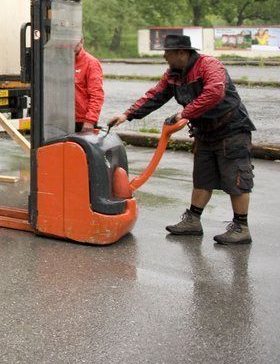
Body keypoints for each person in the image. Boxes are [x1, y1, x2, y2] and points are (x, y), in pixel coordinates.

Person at [107, 34, 256, 245]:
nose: (165, 57)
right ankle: (193, 221)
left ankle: (241, 227)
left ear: (181, 52)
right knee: (202, 178)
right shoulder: (173, 75)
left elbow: (214, 92)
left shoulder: (209, 65)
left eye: (167, 53)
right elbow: (155, 95)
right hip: (205, 132)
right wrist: (127, 115)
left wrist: (185, 113)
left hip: (231, 130)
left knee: (236, 179)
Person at [74, 38, 104, 134]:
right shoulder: (59, 62)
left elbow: (97, 95)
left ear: (82, 41)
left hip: (82, 121)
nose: (71, 46)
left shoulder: (91, 63)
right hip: (60, 119)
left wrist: (90, 120)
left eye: (75, 43)